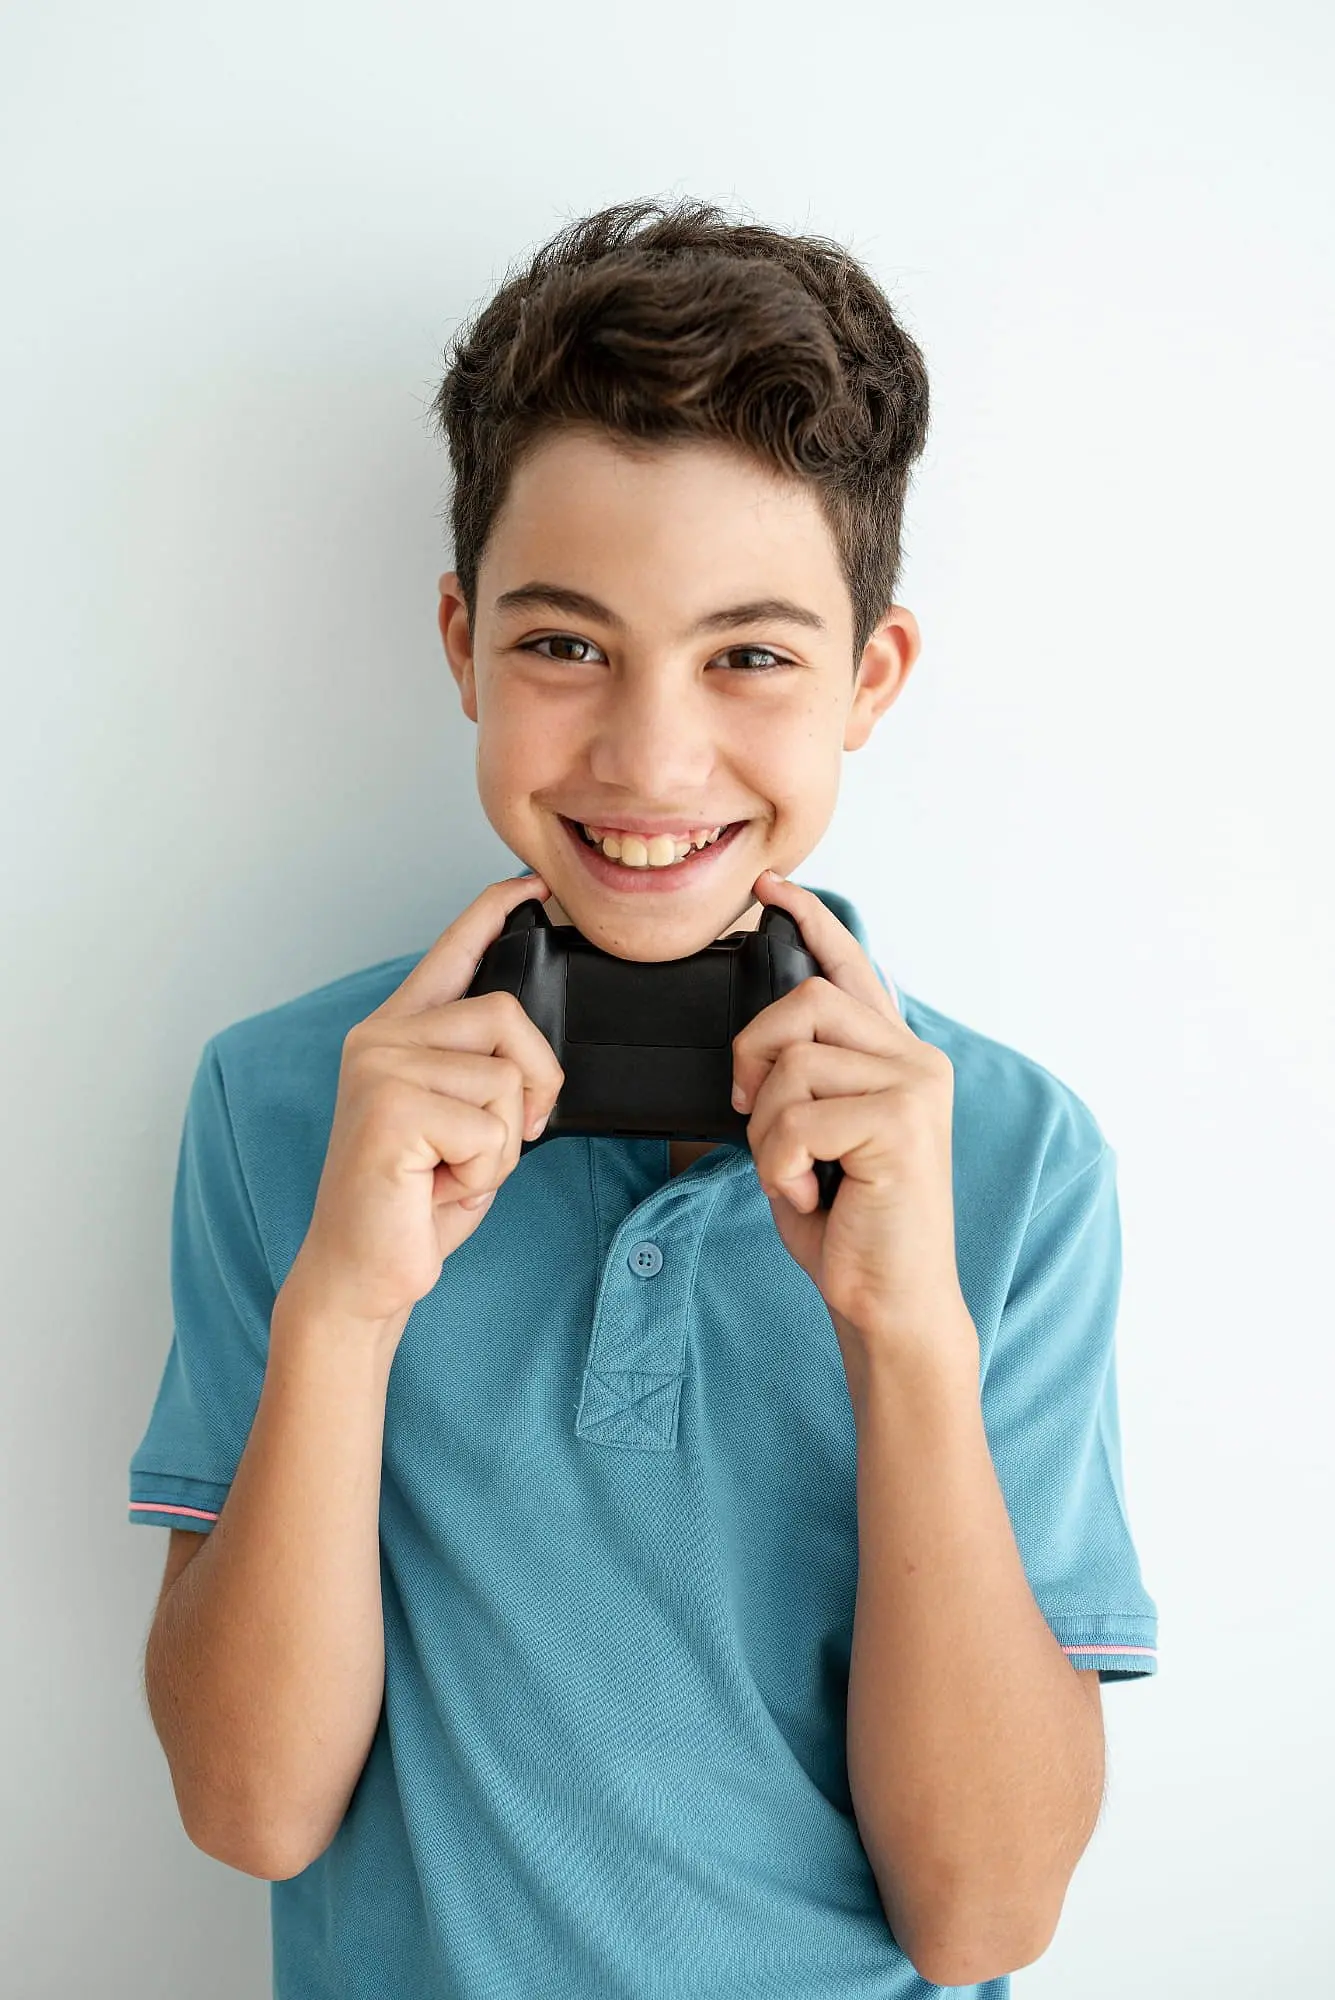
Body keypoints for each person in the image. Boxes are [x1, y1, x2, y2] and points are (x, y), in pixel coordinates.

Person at [127, 196, 1158, 1999]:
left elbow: (984, 1916)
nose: (651, 756)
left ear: (869, 677)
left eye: (750, 653)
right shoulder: (283, 1104)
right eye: (561, 645)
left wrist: (903, 1335)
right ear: (461, 643)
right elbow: (249, 1808)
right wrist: (346, 1309)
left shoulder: (1009, 1154)